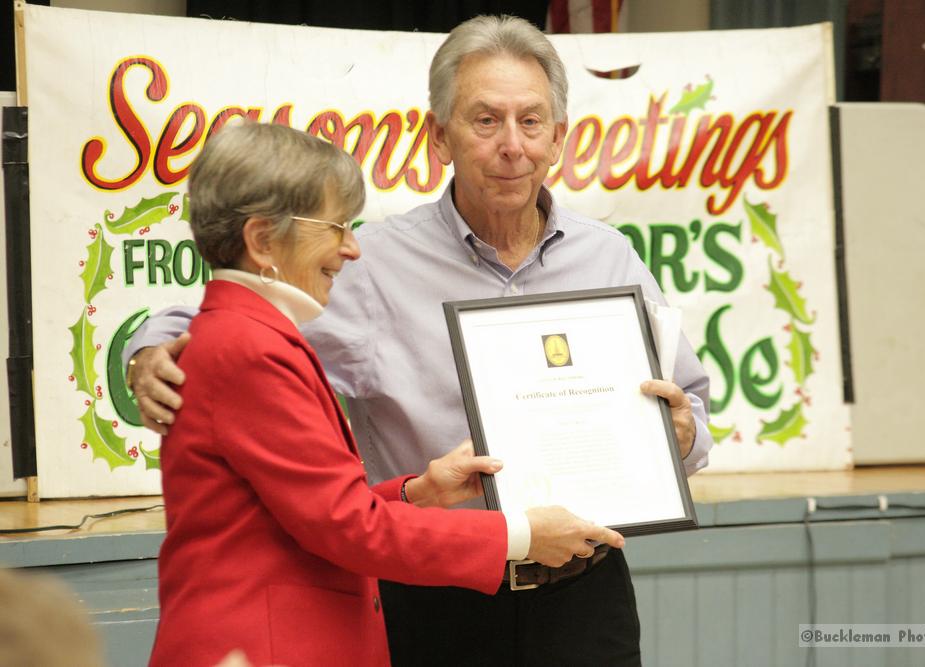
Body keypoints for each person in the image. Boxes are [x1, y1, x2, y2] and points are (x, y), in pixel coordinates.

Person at [128, 15, 713, 667]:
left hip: (584, 593)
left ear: (559, 139)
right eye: (485, 120)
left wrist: (683, 437)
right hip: (432, 600)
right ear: (440, 137)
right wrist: (154, 344)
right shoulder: (367, 262)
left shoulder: (611, 256)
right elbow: (238, 306)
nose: (512, 144)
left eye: (531, 121)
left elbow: (689, 408)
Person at [144, 121, 624, 667]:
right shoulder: (249, 347)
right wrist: (519, 534)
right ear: (261, 240)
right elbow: (348, 528)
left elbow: (318, 507)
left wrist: (420, 492)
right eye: (335, 227)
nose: (351, 248)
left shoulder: (249, 335)